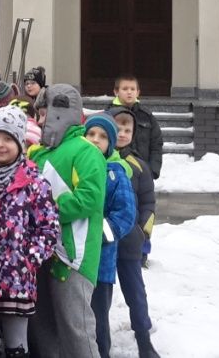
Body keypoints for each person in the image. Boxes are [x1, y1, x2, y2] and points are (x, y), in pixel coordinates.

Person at [0, 106, 61, 358]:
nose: (0, 144)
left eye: (8, 138)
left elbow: (48, 228)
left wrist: (28, 258)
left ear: (20, 142)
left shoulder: (34, 183)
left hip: (17, 280)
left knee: (16, 347)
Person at [27, 84, 106, 358]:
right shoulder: (36, 152)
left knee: (76, 330)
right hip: (41, 253)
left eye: (42, 114)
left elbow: (89, 199)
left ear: (59, 112)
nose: (39, 121)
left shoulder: (86, 152)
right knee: (43, 327)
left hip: (72, 255)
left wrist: (44, 210)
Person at [107, 108, 160, 358]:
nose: (123, 134)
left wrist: (143, 231)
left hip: (130, 240)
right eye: (118, 128)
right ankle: (100, 341)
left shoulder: (139, 165)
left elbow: (148, 201)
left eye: (128, 130)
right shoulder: (97, 160)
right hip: (103, 241)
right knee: (101, 297)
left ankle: (143, 339)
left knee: (135, 293)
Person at [83, 114, 137, 358]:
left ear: (111, 144)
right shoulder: (77, 167)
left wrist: (99, 234)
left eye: (103, 136)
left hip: (101, 263)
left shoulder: (115, 174)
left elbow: (124, 214)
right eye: (91, 134)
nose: (96, 140)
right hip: (74, 260)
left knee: (97, 319)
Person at [111, 75, 163, 180]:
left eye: (132, 89)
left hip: (143, 172)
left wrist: (153, 170)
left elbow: (156, 144)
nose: (129, 92)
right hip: (116, 172)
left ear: (138, 92)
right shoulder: (109, 115)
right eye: (125, 89)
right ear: (116, 92)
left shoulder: (147, 116)